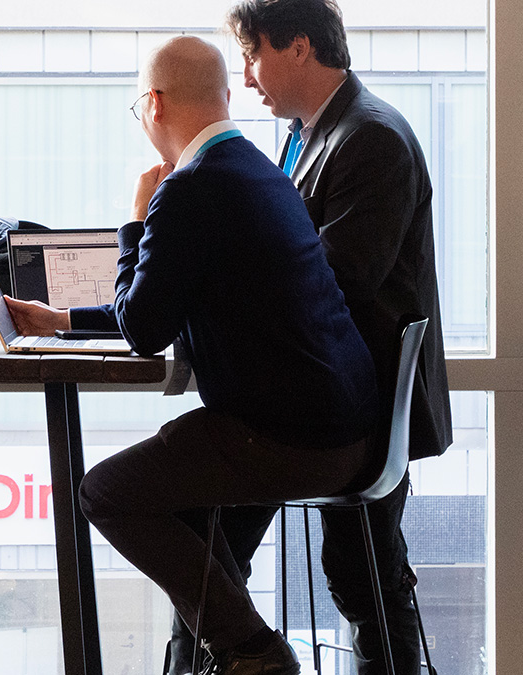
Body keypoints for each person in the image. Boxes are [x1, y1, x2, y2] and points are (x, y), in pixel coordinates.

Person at [6, 35, 377, 675]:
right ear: (225, 96)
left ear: (152, 104)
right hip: (344, 426)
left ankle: (254, 650)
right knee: (181, 485)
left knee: (106, 493)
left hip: (290, 438)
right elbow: (162, 304)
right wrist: (64, 319)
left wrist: (135, 221)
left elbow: (146, 329)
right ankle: (232, 649)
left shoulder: (190, 191)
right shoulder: (259, 169)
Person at [159, 2, 454, 673]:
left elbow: (335, 280)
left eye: (252, 55)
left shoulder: (370, 138)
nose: (246, 77)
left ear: (298, 47)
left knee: (359, 575)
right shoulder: (309, 133)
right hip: (308, 398)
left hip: (352, 407)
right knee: (221, 555)